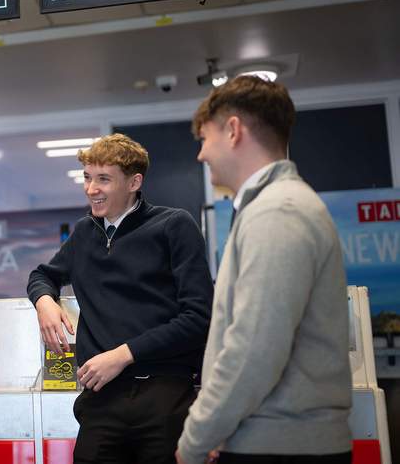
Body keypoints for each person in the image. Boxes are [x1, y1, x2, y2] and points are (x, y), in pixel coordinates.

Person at [176, 76, 352, 464]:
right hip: (270, 439)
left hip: (281, 447)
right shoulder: (271, 208)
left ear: (234, 131)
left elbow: (253, 349)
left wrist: (194, 440)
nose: (201, 155)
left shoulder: (277, 212)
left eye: (205, 139)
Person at [27, 133, 214, 464]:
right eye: (87, 177)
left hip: (165, 396)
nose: (90, 189)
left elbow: (198, 318)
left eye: (103, 179)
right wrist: (44, 302)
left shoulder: (174, 226)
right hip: (101, 401)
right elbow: (42, 275)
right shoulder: (85, 233)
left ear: (134, 182)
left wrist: (123, 355)